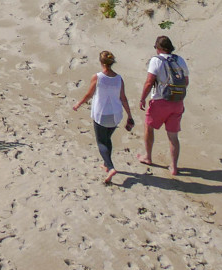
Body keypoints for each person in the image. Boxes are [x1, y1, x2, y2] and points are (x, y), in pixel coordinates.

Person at [72, 51, 134, 184]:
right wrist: (129, 115)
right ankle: (106, 164)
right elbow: (123, 98)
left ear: (101, 63)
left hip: (101, 114)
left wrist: (78, 104)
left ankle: (110, 167)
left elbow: (89, 94)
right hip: (116, 115)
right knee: (107, 139)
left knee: (101, 142)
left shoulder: (98, 77)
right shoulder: (119, 78)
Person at [139, 35, 189, 176]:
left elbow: (149, 82)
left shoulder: (156, 60)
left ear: (159, 48)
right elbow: (186, 81)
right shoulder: (179, 60)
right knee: (173, 136)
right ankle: (173, 167)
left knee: (149, 126)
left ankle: (148, 157)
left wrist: (142, 98)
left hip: (160, 100)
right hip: (177, 102)